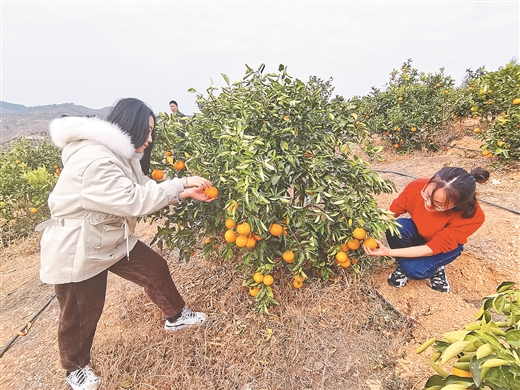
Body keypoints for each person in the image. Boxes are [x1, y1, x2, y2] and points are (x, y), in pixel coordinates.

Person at [37, 98, 213, 390]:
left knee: (154, 268)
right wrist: (180, 184)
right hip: (79, 246)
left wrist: (182, 192)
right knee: (81, 311)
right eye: (147, 131)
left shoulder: (118, 155)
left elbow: (142, 187)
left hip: (108, 235)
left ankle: (175, 316)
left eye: (152, 132)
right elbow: (134, 201)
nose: (150, 138)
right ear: (128, 126)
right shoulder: (95, 160)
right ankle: (75, 369)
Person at [363, 166, 489, 293]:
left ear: (457, 204)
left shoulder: (472, 216)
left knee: (413, 269)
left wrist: (388, 252)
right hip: (420, 230)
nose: (428, 204)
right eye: (427, 195)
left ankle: (436, 267)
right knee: (395, 227)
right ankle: (405, 263)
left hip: (443, 248)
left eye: (438, 204)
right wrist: (369, 229)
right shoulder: (417, 186)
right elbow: (392, 212)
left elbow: (433, 248)